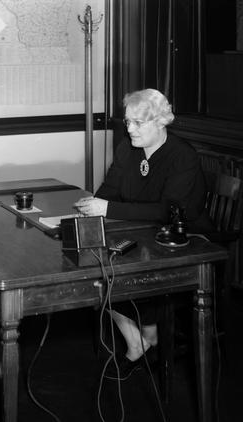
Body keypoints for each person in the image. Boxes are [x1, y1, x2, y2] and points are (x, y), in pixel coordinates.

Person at [73, 88, 212, 380]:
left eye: (139, 123)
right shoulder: (128, 148)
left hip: (182, 241)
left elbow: (167, 211)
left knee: (117, 272)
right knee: (93, 270)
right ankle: (138, 339)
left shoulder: (182, 156)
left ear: (161, 122)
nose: (130, 129)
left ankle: (148, 334)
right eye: (128, 122)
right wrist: (91, 209)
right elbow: (110, 190)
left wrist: (108, 208)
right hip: (140, 233)